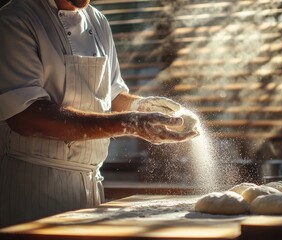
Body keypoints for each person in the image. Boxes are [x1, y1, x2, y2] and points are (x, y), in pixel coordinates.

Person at [0, 0, 199, 227]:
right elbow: (26, 117)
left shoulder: (98, 20)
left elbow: (112, 96)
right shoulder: (16, 20)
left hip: (90, 186)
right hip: (31, 189)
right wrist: (130, 124)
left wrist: (141, 107)